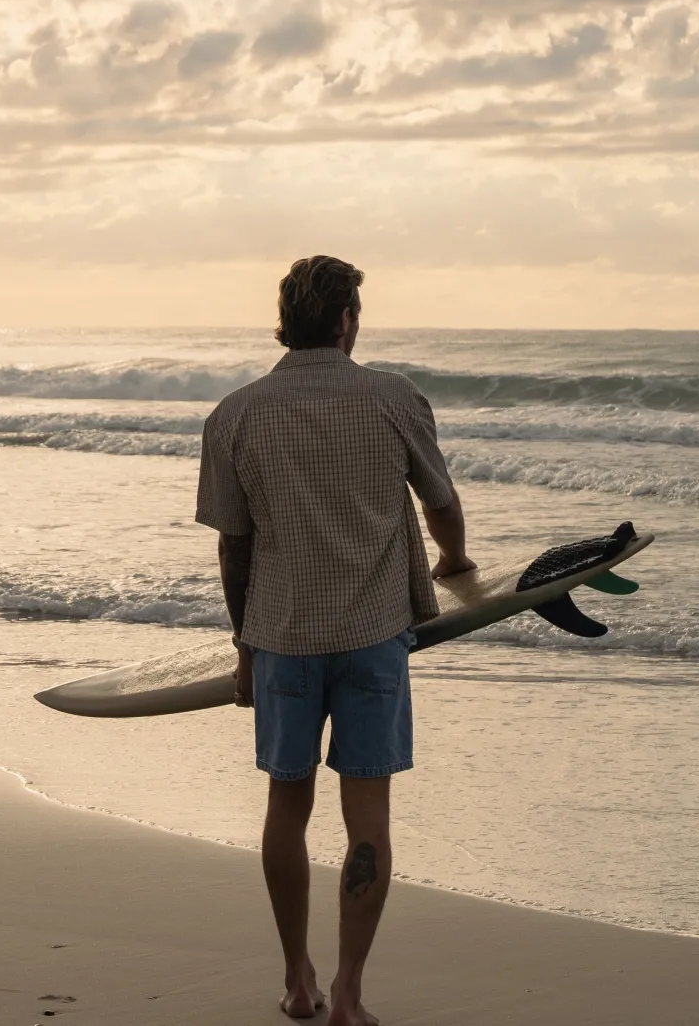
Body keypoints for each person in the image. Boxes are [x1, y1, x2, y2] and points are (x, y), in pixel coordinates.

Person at [195, 255, 475, 1026]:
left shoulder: (236, 415)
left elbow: (234, 548)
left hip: (283, 640)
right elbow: (442, 505)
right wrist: (454, 563)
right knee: (369, 820)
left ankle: (297, 980)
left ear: (287, 319)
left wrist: (243, 646)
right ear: (348, 319)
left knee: (288, 806)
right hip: (375, 637)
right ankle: (350, 992)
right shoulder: (393, 399)